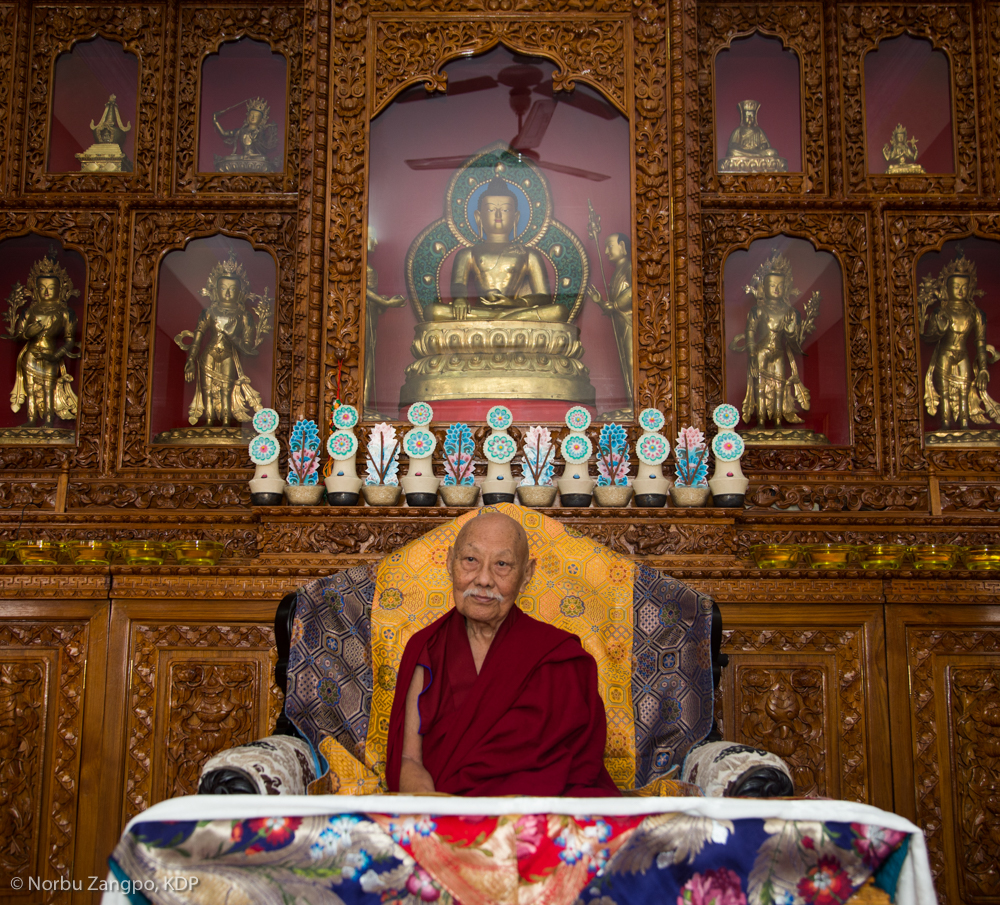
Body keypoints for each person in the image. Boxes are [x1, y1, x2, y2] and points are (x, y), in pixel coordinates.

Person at [385, 511, 620, 797]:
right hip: (446, 816)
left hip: (536, 820)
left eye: (502, 564)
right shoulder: (427, 647)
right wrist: (442, 813)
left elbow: (579, 771)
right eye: (470, 560)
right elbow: (409, 759)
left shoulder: (557, 657)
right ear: (450, 563)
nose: (483, 579)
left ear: (526, 575)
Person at [425, 176, 568, 323]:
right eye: (491, 209)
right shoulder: (468, 254)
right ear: (478, 217)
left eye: (505, 209)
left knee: (559, 311)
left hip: (516, 311)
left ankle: (503, 318)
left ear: (516, 217)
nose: (498, 215)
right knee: (433, 311)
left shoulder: (528, 255)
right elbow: (458, 283)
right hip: (480, 312)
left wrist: (514, 304)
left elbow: (544, 296)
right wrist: (460, 300)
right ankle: (501, 319)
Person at [729, 250, 820, 429]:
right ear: (764, 287)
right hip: (761, 351)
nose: (776, 289)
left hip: (779, 352)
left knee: (780, 387)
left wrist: (791, 329)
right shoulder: (758, 310)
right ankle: (761, 422)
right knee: (760, 388)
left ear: (785, 287)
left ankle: (778, 422)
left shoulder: (790, 312)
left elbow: (793, 341)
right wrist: (753, 355)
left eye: (780, 286)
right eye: (772, 286)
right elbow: (750, 332)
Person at [177, 254, 269, 427]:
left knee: (227, 390)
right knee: (207, 391)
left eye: (233, 289)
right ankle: (209, 421)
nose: (227, 293)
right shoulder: (209, 312)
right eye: (223, 288)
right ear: (215, 290)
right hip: (209, 355)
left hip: (228, 355)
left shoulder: (243, 315)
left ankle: (227, 422)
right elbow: (197, 339)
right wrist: (190, 360)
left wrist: (233, 338)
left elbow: (249, 347)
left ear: (240, 292)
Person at [919, 252, 1000, 429]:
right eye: (956, 287)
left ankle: (964, 424)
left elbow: (980, 342)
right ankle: (945, 424)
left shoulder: (976, 314)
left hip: (963, 353)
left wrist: (984, 369)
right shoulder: (941, 312)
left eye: (964, 287)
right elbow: (929, 337)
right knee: (944, 391)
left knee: (965, 390)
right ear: (947, 288)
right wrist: (939, 327)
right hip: (945, 353)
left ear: (970, 288)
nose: (961, 291)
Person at [6, 254, 80, 428]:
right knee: (30, 389)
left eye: (51, 288)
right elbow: (18, 336)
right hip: (31, 355)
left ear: (60, 289)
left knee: (49, 389)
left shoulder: (65, 312)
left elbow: (69, 340)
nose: (46, 292)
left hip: (50, 354)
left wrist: (56, 355)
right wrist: (28, 333)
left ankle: (48, 421)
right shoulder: (29, 311)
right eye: (42, 287)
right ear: (35, 289)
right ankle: (31, 419)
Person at [587, 232, 633, 406]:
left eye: (610, 245)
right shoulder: (617, 272)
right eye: (605, 247)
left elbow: (633, 292)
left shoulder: (629, 268)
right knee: (624, 362)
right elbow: (612, 307)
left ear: (622, 247)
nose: (606, 251)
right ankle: (631, 404)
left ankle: (634, 404)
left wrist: (613, 305)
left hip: (629, 321)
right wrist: (601, 302)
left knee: (630, 361)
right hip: (621, 323)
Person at [363, 229, 405, 418]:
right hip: (358, 321)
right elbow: (360, 290)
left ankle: (364, 403)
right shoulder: (360, 268)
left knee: (370, 359)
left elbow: (372, 300)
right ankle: (360, 405)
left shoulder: (371, 269)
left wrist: (383, 303)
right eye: (372, 236)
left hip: (371, 319)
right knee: (363, 360)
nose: (376, 242)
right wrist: (386, 302)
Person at [213, 97, 279, 173]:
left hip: (255, 158)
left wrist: (255, 140)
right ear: (247, 116)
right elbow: (224, 133)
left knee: (264, 160)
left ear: (262, 120)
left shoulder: (260, 132)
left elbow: (263, 148)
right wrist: (216, 121)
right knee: (227, 159)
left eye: (256, 116)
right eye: (251, 115)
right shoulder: (241, 130)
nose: (253, 117)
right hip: (243, 158)